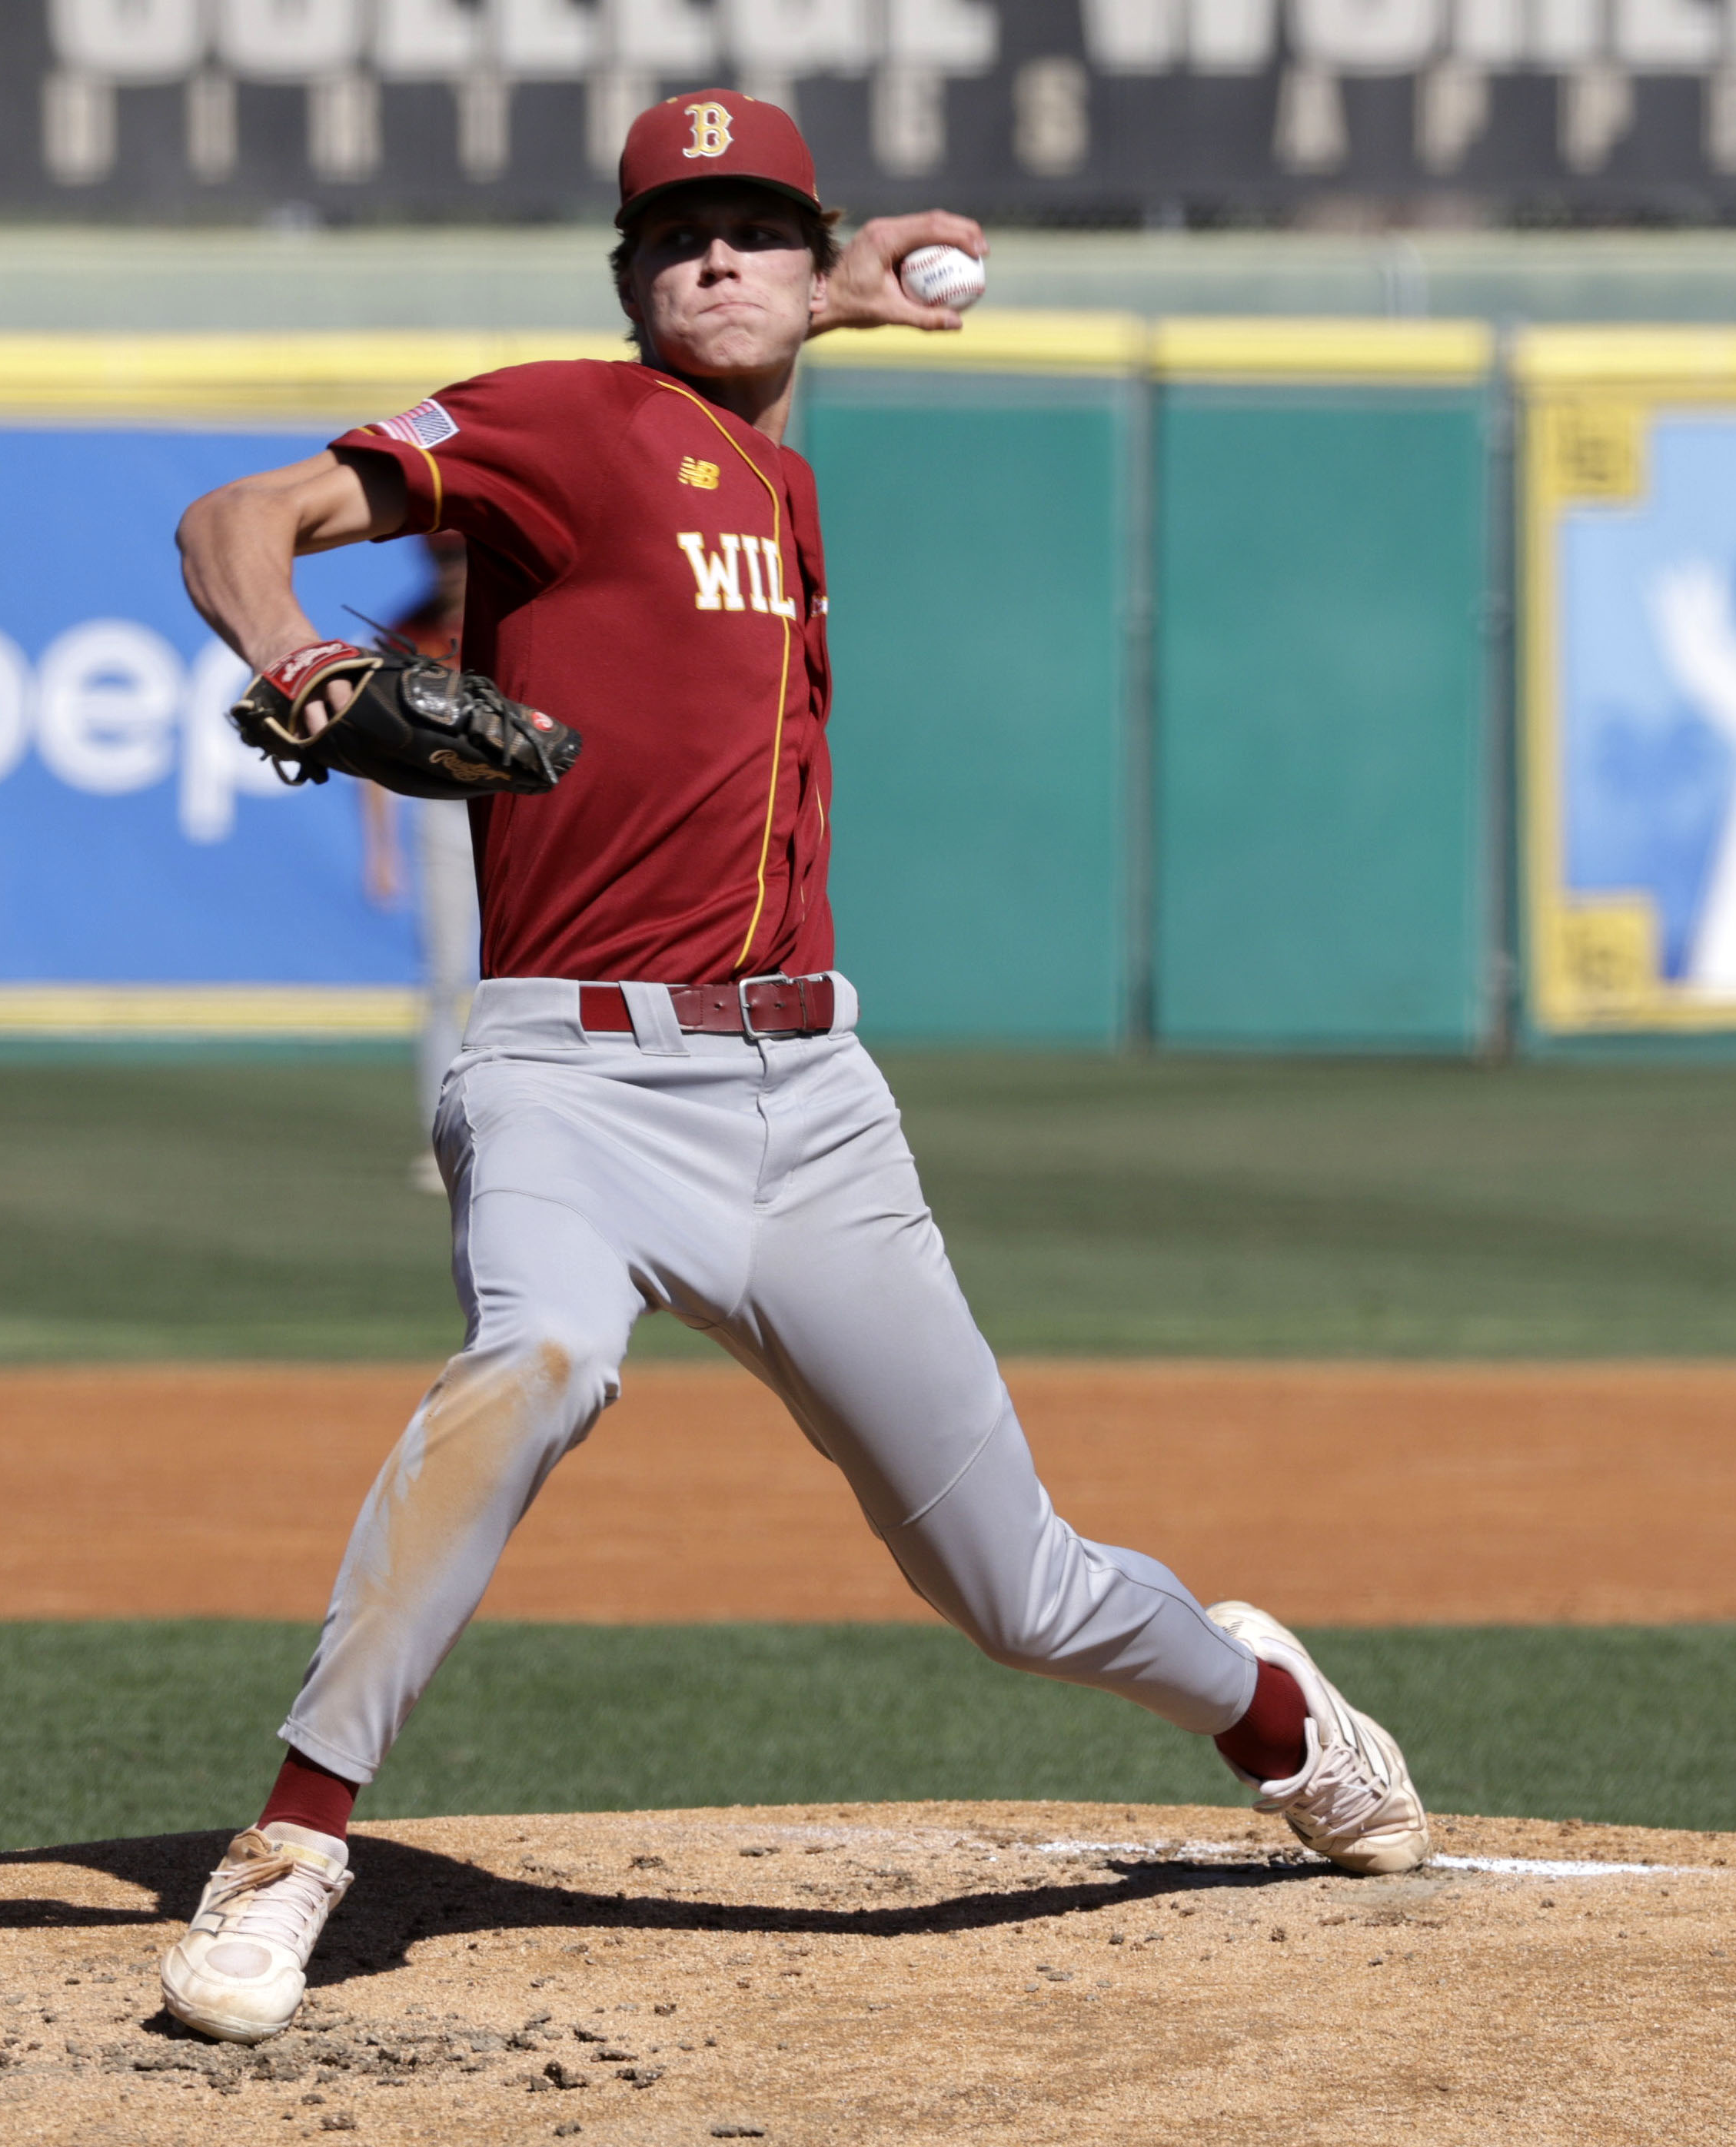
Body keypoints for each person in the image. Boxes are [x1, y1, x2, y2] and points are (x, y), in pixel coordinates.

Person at [159, 88, 1433, 2047]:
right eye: (678, 232)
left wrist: (830, 293)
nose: (717, 254)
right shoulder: (551, 420)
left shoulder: (777, 479)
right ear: (622, 278)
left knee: (1015, 1590)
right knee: (542, 1360)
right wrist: (300, 659)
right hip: (573, 1083)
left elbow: (756, 338)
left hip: (810, 1107)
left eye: (754, 222)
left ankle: (1267, 1708)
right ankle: (291, 1846)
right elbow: (236, 519)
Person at [356, 533, 480, 1191]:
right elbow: (375, 745)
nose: (448, 568)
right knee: (442, 977)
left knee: (526, 977)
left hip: (514, 807)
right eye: (438, 557)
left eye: (458, 555)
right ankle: (448, 1142)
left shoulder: (514, 616)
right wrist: (379, 849)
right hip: (441, 810)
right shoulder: (407, 629)